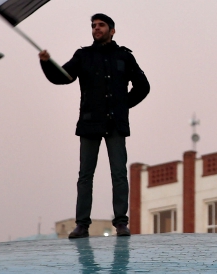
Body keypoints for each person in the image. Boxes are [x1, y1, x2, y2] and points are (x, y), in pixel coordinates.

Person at [40, 14, 150, 239]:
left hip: (116, 124)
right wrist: (46, 63)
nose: (96, 29)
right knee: (85, 176)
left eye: (101, 25)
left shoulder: (124, 56)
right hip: (90, 123)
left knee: (119, 173)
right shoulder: (84, 56)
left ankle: (121, 223)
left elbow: (143, 86)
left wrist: (123, 106)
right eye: (93, 26)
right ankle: (82, 225)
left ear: (112, 30)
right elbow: (62, 77)